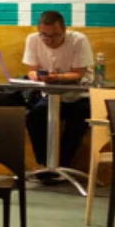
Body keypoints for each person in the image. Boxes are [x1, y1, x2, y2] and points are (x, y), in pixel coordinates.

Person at [21, 10, 93, 176]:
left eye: (55, 35)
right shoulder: (33, 40)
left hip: (79, 95)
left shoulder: (78, 40)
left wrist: (57, 77)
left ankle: (62, 165)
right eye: (44, 35)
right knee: (34, 116)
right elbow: (32, 69)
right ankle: (46, 164)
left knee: (79, 119)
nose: (49, 40)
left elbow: (79, 73)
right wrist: (36, 77)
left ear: (64, 31)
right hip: (51, 94)